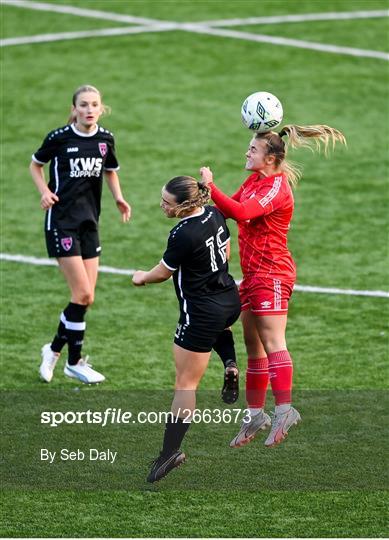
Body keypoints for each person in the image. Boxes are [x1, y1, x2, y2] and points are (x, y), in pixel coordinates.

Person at [200, 124, 346, 448]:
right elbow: (227, 209)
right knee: (253, 347)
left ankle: (284, 410)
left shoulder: (276, 188)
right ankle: (255, 414)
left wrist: (212, 186)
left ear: (270, 158)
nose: (247, 153)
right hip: (252, 275)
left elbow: (240, 211)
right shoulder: (254, 180)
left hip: (273, 274)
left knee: (273, 341)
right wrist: (197, 209)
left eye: (253, 150)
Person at [132, 176, 241, 482]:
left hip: (200, 313)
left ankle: (169, 453)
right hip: (229, 299)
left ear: (183, 204)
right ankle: (230, 362)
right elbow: (227, 252)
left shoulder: (182, 233)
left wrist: (140, 277)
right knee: (220, 326)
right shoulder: (215, 213)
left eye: (166, 202)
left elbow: (161, 274)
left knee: (185, 384)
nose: (162, 206)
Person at [30, 84, 131, 384]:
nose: (89, 109)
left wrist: (118, 198)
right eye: (83, 104)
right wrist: (45, 192)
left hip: (90, 224)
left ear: (101, 108)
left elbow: (110, 169)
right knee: (82, 293)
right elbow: (35, 165)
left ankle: (53, 349)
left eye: (94, 104)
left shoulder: (105, 139)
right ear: (74, 109)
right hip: (61, 222)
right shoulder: (59, 138)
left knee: (86, 298)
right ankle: (74, 362)